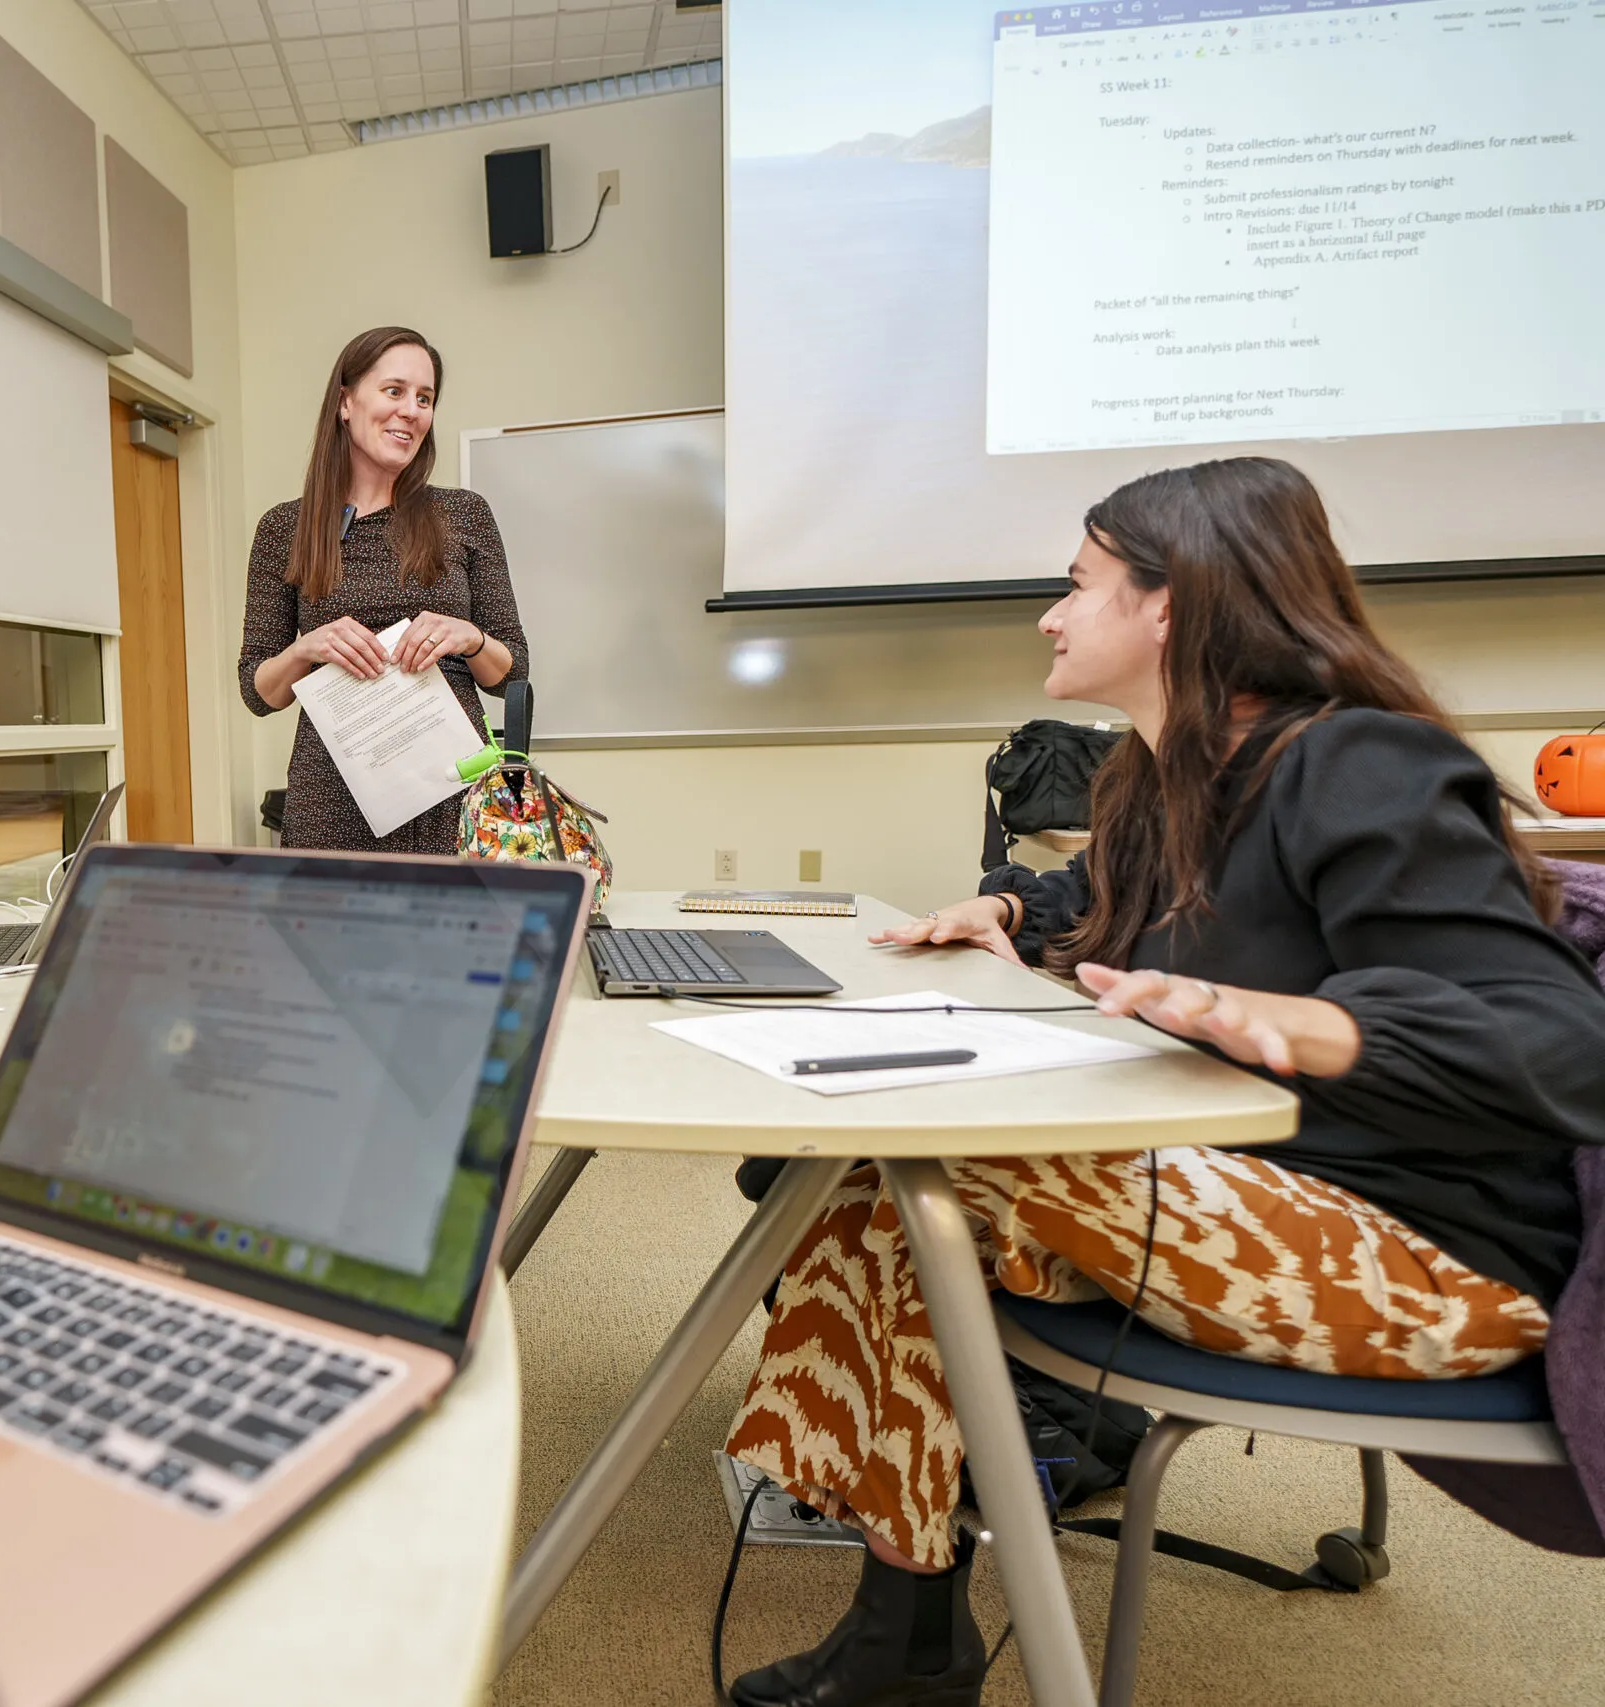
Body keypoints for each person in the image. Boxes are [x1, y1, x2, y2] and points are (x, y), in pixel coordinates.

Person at [721, 457, 1605, 1707]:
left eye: (1076, 585)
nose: (1049, 614)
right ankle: (907, 1632)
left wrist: (1308, 1025)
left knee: (921, 1167)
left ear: (1169, 607)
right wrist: (1007, 903)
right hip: (1257, 1196)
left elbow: (1563, 1040)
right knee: (873, 1184)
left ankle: (910, 1635)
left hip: (1429, 1257)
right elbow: (1110, 908)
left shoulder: (1362, 763)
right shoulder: (1152, 777)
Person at [239, 325, 530, 853]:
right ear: (346, 402)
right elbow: (258, 693)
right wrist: (306, 648)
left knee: (454, 934)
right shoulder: (285, 528)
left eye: (425, 398)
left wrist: (471, 638)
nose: (412, 411)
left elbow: (513, 672)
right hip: (330, 802)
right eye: (394, 391)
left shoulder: (464, 514)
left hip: (452, 796)